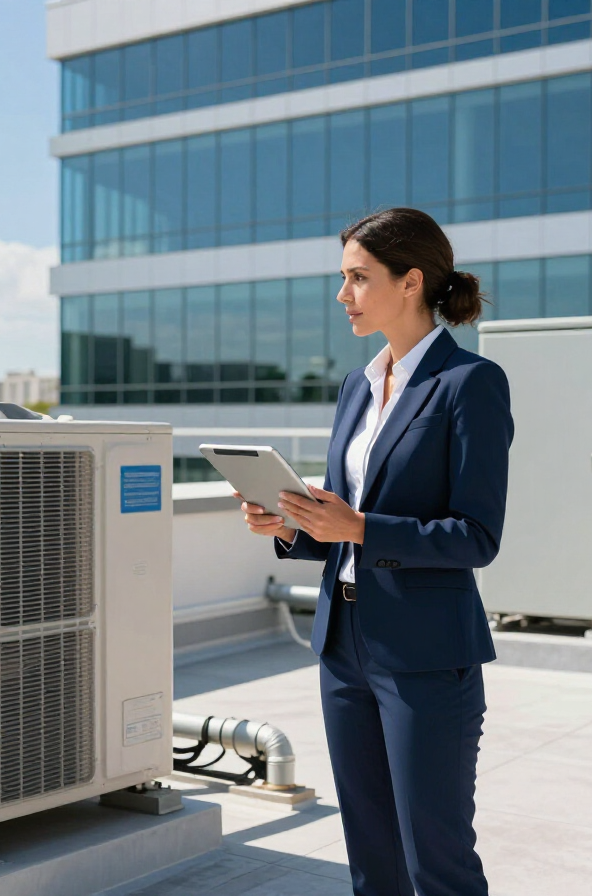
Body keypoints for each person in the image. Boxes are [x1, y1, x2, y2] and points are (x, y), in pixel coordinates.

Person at [235, 207, 513, 896]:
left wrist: (359, 528)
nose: (343, 295)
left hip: (425, 652)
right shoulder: (356, 387)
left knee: (437, 859)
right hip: (344, 641)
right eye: (343, 278)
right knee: (372, 858)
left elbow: (477, 538)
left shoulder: (470, 385)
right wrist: (295, 526)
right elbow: (346, 513)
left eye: (358, 278)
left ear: (411, 281)